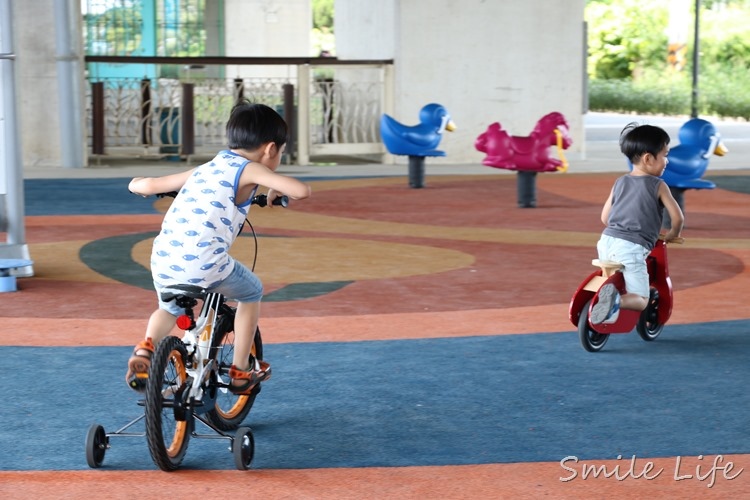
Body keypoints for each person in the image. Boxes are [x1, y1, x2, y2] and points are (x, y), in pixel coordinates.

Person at [125, 101, 312, 394]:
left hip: (164, 258)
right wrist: (276, 188)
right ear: (271, 149)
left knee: (168, 308)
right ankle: (241, 371)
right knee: (252, 292)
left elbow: (148, 185)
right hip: (205, 262)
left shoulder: (206, 168)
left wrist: (135, 184)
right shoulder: (250, 168)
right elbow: (301, 191)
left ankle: (146, 350)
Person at [590, 122, 684, 325]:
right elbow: (677, 217)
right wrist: (672, 234)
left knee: (616, 273)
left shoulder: (620, 182)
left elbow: (605, 218)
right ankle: (616, 300)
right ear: (648, 158)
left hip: (606, 242)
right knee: (641, 299)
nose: (667, 161)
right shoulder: (658, 185)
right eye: (665, 155)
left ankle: (606, 299)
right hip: (631, 248)